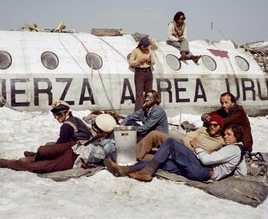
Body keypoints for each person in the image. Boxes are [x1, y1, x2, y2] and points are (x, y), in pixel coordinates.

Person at [104, 124, 247, 182]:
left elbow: (207, 160)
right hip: (201, 171)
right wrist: (237, 175)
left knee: (170, 143)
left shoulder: (232, 148)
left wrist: (197, 148)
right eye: (226, 134)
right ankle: (125, 169)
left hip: (203, 170)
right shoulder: (238, 151)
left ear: (237, 137)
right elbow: (242, 170)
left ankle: (147, 172)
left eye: (229, 135)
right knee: (163, 161)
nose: (226, 137)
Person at [0, 114, 117, 173]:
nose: (93, 129)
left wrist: (89, 166)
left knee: (40, 167)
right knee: (44, 149)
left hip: (76, 159)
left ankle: (10, 163)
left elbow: (110, 162)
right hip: (75, 146)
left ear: (104, 133)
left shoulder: (109, 146)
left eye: (96, 129)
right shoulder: (101, 130)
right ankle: (35, 156)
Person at [136, 114, 225, 161]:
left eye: (215, 125)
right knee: (154, 135)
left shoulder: (220, 142)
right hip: (182, 144)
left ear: (220, 127)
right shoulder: (203, 129)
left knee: (159, 156)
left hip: (189, 155)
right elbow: (187, 138)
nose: (212, 127)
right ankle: (133, 156)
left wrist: (194, 146)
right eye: (211, 125)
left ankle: (137, 157)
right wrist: (191, 144)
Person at [23, 100, 93, 158]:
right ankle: (37, 154)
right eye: (55, 115)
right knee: (49, 144)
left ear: (67, 113)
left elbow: (61, 143)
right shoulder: (75, 119)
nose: (57, 117)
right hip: (82, 145)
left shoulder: (66, 125)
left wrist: (50, 149)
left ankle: (36, 156)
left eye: (59, 114)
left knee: (48, 148)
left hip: (78, 148)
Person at [129, 36, 155, 111]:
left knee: (149, 93)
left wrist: (149, 61)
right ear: (141, 45)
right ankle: (138, 112)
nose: (145, 48)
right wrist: (139, 61)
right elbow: (130, 63)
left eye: (147, 46)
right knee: (139, 94)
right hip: (139, 72)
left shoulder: (149, 51)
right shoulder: (135, 51)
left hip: (148, 72)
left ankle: (148, 110)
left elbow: (153, 61)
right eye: (144, 46)